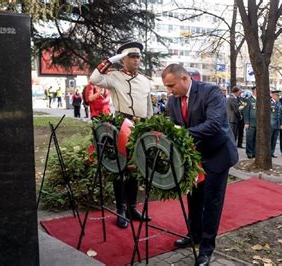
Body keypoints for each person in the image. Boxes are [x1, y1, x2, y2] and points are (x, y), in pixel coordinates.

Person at [162, 64, 238, 266]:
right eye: (167, 87)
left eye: (171, 85)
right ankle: (193, 235)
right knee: (193, 198)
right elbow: (171, 123)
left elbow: (214, 124)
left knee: (212, 202)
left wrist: (180, 133)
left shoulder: (210, 92)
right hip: (194, 156)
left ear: (185, 79)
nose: (169, 91)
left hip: (217, 155)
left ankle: (206, 249)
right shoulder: (173, 100)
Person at [90, 41, 153, 228]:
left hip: (140, 127)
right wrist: (111, 60)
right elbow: (94, 79)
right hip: (122, 125)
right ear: (123, 59)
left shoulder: (144, 80)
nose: (136, 60)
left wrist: (150, 125)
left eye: (138, 56)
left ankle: (133, 208)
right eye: (132, 56)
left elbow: (148, 106)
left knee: (135, 170)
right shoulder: (114, 76)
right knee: (120, 169)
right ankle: (121, 210)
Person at [242, 87, 257, 159]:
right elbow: (245, 112)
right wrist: (246, 122)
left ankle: (254, 152)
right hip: (250, 123)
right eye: (256, 90)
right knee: (250, 139)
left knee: (255, 139)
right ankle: (249, 153)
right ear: (253, 91)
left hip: (257, 123)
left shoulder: (259, 100)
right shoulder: (248, 100)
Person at [270, 89, 282, 158]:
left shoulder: (279, 103)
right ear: (273, 95)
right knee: (269, 139)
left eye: (279, 95)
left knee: (274, 140)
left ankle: (272, 152)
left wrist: (281, 123)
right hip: (271, 125)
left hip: (277, 125)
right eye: (277, 95)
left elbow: (281, 114)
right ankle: (268, 152)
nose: (278, 97)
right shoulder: (269, 102)